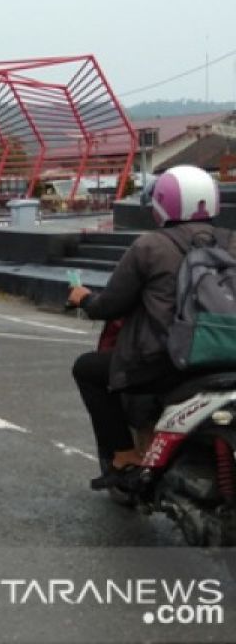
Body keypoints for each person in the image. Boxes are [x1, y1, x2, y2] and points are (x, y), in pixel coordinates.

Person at [67, 165, 233, 490]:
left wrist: (84, 298)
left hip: (172, 363)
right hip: (231, 358)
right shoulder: (232, 242)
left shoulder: (149, 246)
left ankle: (125, 455)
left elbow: (110, 306)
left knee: (87, 369)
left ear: (162, 204)